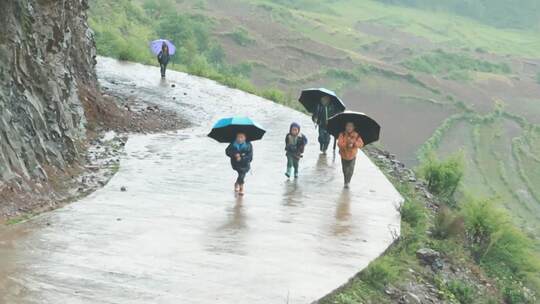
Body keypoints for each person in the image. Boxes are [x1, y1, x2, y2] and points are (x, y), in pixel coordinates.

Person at [337, 122, 364, 188]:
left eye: (351, 126)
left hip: (352, 156)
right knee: (345, 169)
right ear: (345, 127)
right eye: (347, 126)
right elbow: (339, 144)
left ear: (354, 127)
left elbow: (361, 144)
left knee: (351, 169)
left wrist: (354, 143)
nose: (349, 128)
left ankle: (348, 182)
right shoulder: (342, 134)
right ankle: (345, 180)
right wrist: (346, 144)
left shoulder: (356, 135)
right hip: (343, 155)